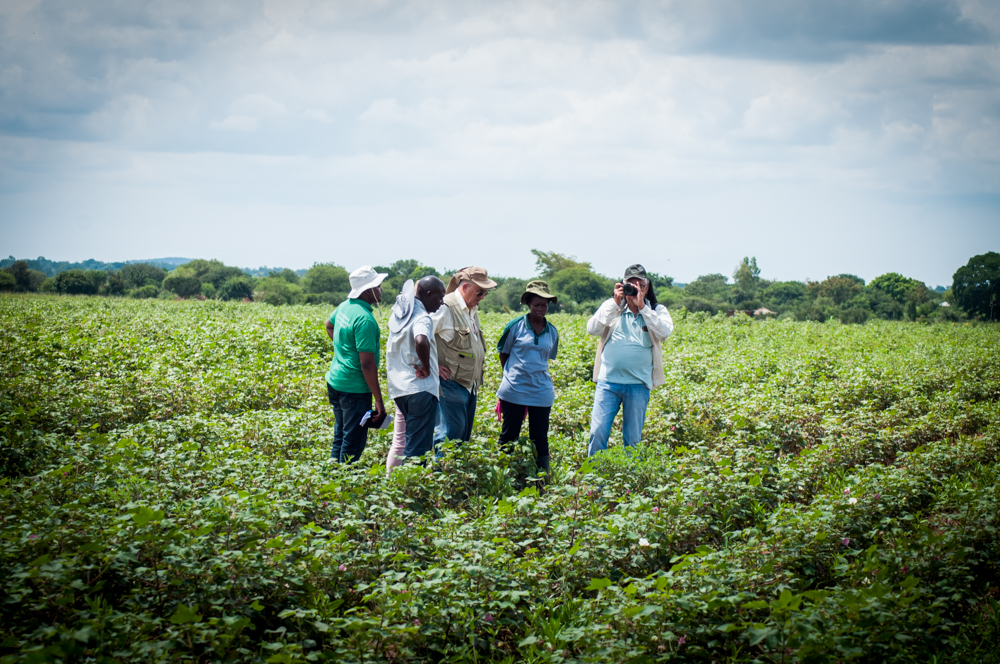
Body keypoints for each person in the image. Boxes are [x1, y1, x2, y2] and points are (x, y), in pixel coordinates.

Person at [586, 264, 674, 456]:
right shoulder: (613, 308)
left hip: (638, 385)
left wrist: (643, 307)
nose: (634, 288)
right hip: (609, 382)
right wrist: (614, 303)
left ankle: (630, 483)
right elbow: (592, 329)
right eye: (630, 284)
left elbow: (664, 332)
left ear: (647, 287)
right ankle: (593, 481)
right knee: (598, 431)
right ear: (622, 285)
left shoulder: (656, 310)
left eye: (639, 284)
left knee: (633, 439)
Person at [325, 265, 388, 463]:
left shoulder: (345, 306)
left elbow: (329, 325)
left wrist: (343, 350)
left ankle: (332, 476)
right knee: (353, 442)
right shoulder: (365, 319)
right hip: (354, 389)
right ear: (368, 290)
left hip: (336, 381)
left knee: (341, 434)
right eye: (378, 286)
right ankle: (342, 485)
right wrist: (378, 400)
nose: (381, 290)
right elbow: (367, 365)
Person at [496, 280, 559, 475]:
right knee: (509, 435)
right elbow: (503, 352)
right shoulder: (515, 326)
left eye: (544, 305)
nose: (541, 309)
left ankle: (542, 479)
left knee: (539, 437)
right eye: (537, 305)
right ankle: (503, 476)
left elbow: (546, 358)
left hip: (541, 391)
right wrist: (512, 375)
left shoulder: (552, 332)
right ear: (528, 305)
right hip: (514, 389)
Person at [432, 266, 497, 449]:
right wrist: (432, 364)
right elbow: (416, 335)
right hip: (450, 382)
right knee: (449, 436)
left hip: (469, 385)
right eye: (480, 292)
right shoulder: (445, 307)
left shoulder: (471, 308)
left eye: (485, 293)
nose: (482, 297)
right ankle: (440, 475)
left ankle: (453, 477)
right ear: (466, 286)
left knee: (462, 437)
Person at [385, 276, 447, 467]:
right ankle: (408, 491)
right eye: (439, 298)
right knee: (417, 449)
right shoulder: (422, 318)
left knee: (405, 442)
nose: (441, 303)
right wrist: (427, 367)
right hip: (420, 389)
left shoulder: (400, 316)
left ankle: (396, 487)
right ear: (428, 295)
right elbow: (421, 340)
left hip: (400, 389)